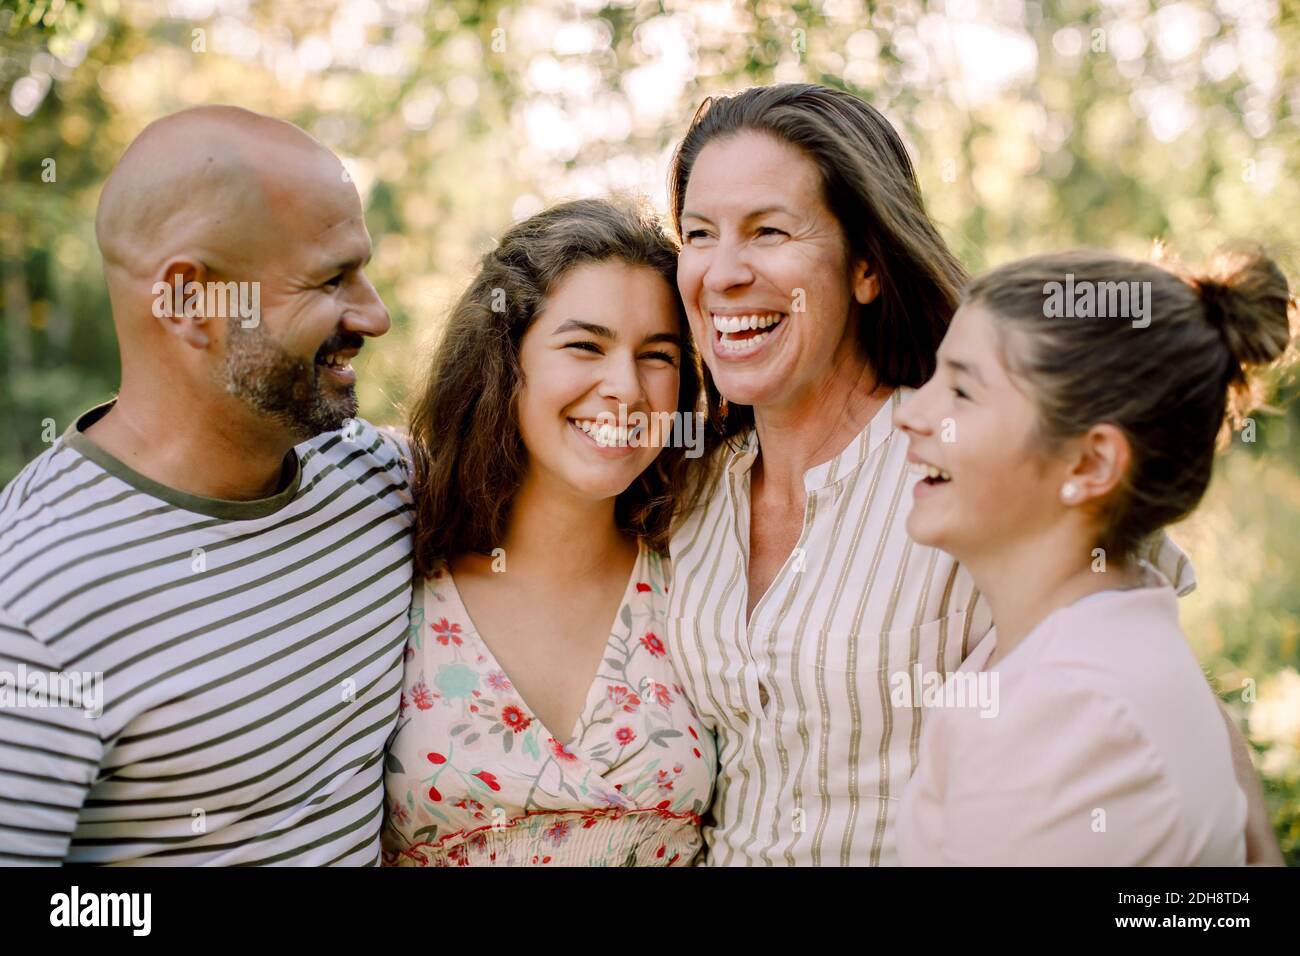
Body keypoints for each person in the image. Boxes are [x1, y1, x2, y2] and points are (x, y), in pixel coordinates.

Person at [662, 83, 1272, 866]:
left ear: (866, 268)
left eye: (770, 231)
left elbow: (1143, 672)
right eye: (699, 233)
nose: (723, 271)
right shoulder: (685, 488)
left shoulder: (964, 472)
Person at [0, 106, 409, 865]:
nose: (376, 315)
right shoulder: (32, 605)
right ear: (191, 301)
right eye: (332, 279)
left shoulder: (381, 482)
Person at [895, 248, 1295, 865]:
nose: (911, 414)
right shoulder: (1067, 654)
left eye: (961, 392)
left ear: (1090, 463)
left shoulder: (1073, 721)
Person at [381, 199, 717, 866]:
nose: (625, 387)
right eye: (584, 346)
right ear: (504, 361)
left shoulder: (702, 573)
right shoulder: (392, 565)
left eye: (657, 356)